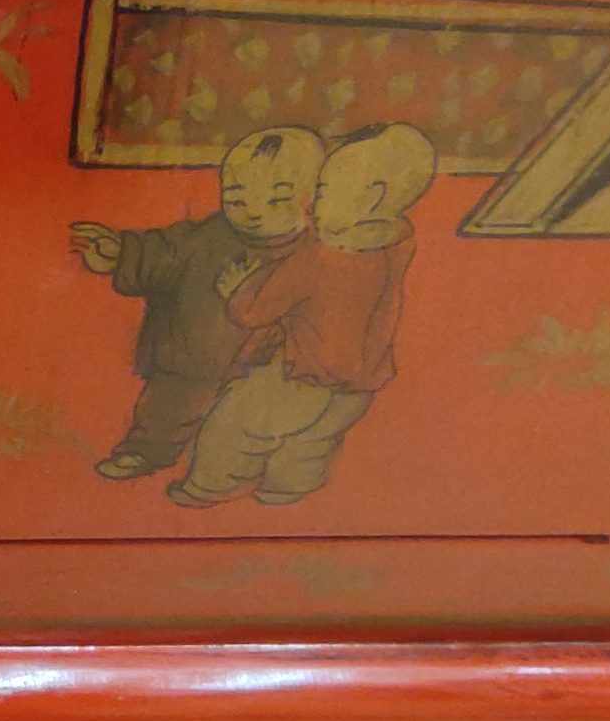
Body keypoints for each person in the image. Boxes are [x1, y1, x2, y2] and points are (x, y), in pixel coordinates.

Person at [170, 124, 434, 507]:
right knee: (312, 441)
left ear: (373, 197)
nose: (311, 204)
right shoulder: (397, 244)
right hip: (360, 382)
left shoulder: (317, 260)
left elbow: (254, 311)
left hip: (303, 377)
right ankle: (285, 492)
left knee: (235, 425)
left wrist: (236, 288)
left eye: (324, 190)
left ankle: (209, 487)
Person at [69, 128, 327, 481]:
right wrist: (120, 254)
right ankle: (144, 451)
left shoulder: (314, 253)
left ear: (313, 196)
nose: (253, 212)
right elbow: (165, 253)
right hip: (191, 356)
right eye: (236, 199)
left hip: (260, 367)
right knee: (166, 408)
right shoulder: (207, 236)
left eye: (276, 200)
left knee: (253, 426)